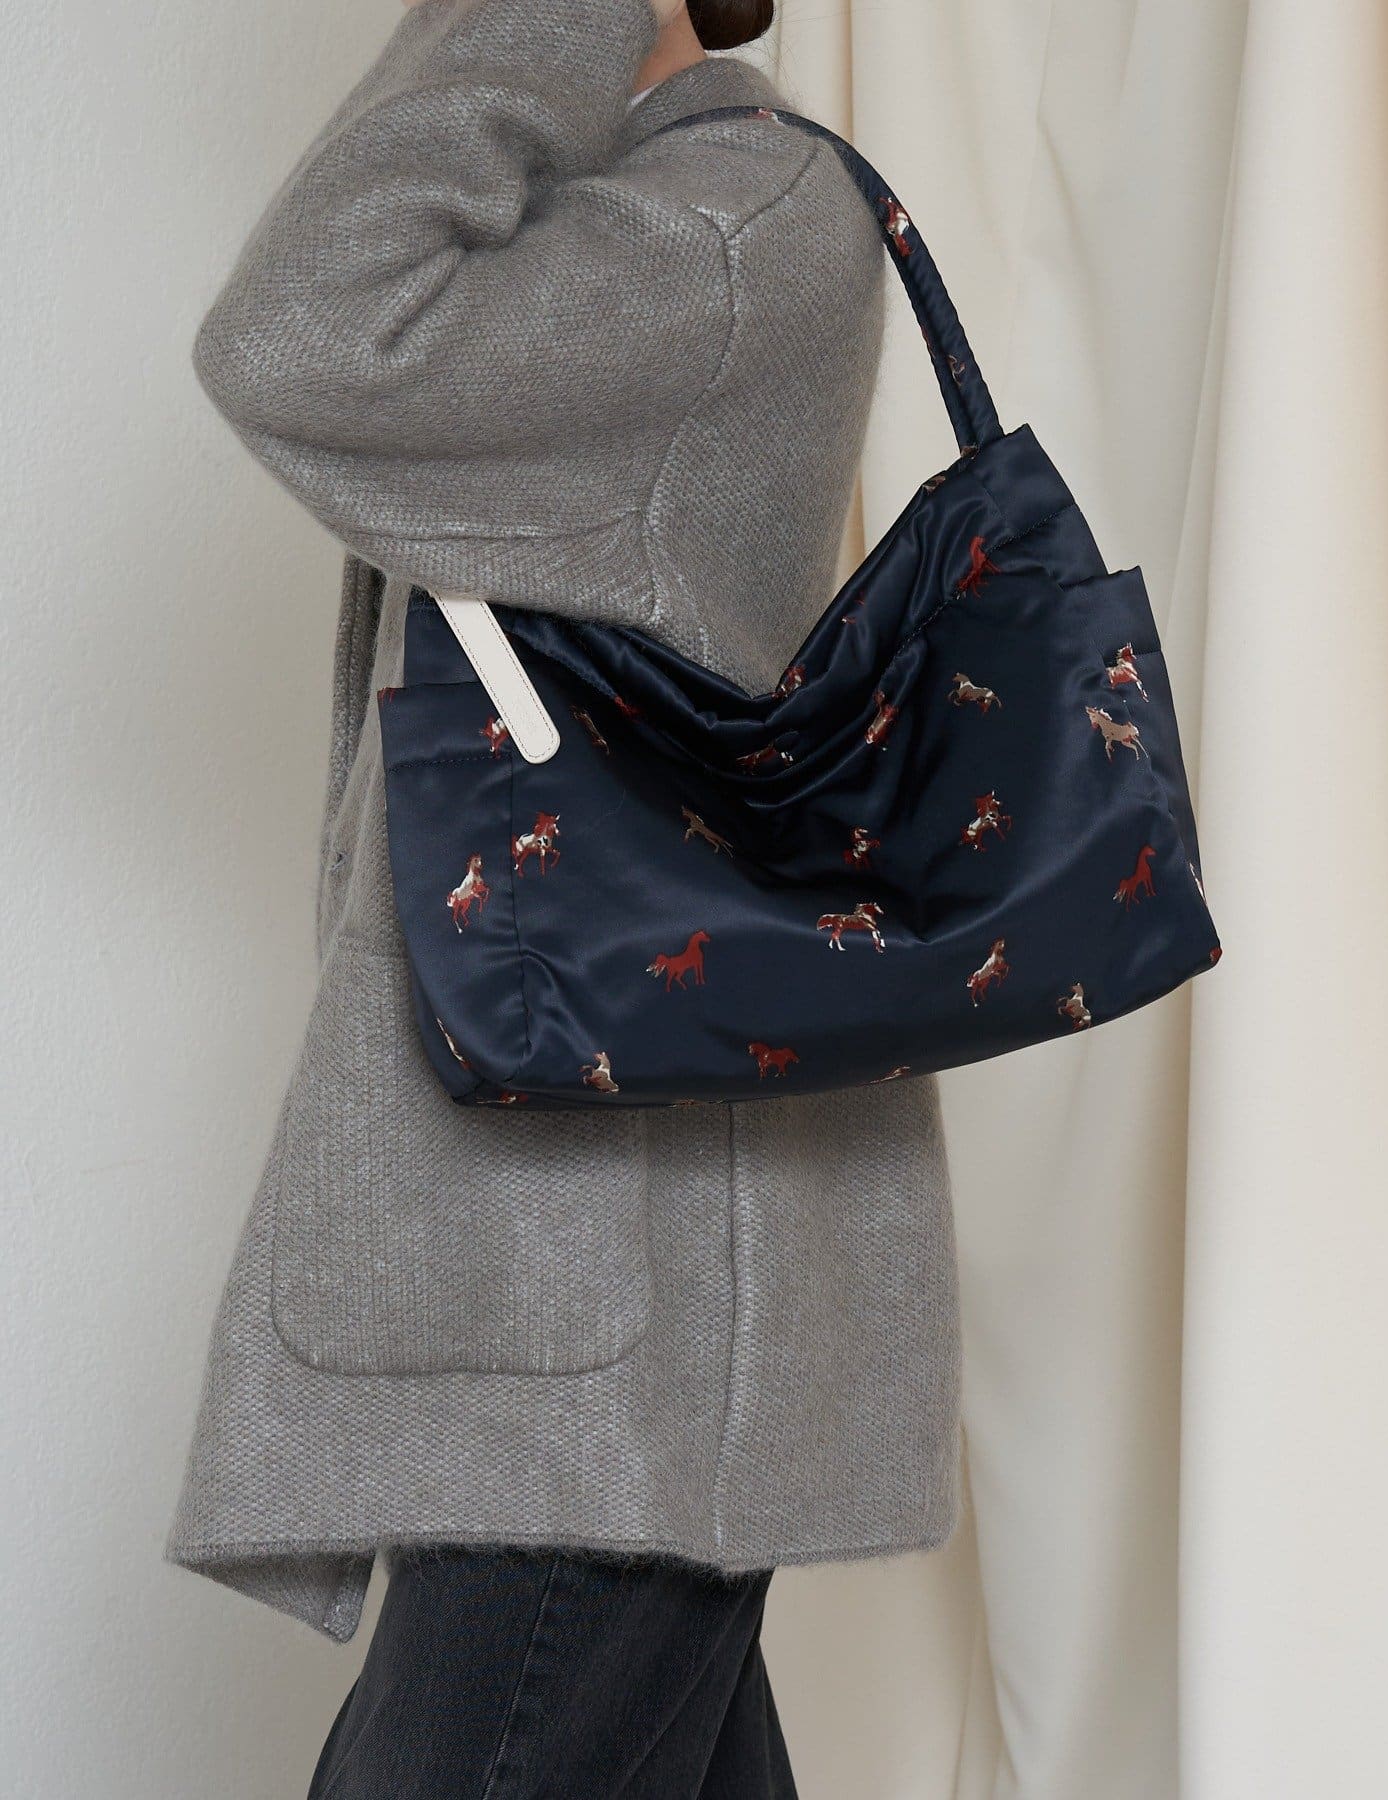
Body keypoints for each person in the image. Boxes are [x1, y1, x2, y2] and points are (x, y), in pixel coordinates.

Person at [168, 0, 962, 1791]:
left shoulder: (730, 230)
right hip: (592, 1297)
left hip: (615, 1329)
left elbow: (299, 330)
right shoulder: (607, 248)